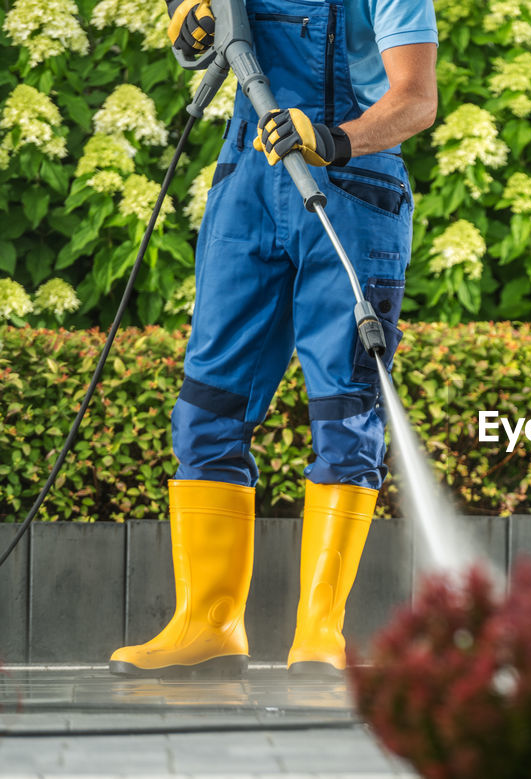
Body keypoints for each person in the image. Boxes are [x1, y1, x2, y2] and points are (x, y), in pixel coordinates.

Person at [109, 0, 438, 677]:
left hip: (351, 190)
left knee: (346, 413)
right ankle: (208, 621)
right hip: (248, 187)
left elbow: (415, 98)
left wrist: (335, 137)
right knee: (207, 406)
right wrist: (187, 19)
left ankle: (320, 630)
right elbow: (195, 27)